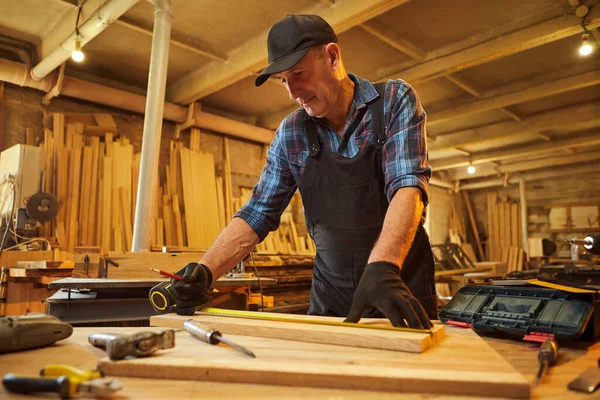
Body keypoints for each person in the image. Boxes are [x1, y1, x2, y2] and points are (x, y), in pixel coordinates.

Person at [169, 14, 437, 329]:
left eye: (299, 73)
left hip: (397, 290)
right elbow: (258, 213)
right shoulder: (292, 133)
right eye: (284, 80)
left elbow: (408, 187)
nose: (293, 92)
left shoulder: (393, 101)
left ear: (333, 56)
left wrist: (383, 267)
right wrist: (205, 271)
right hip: (332, 304)